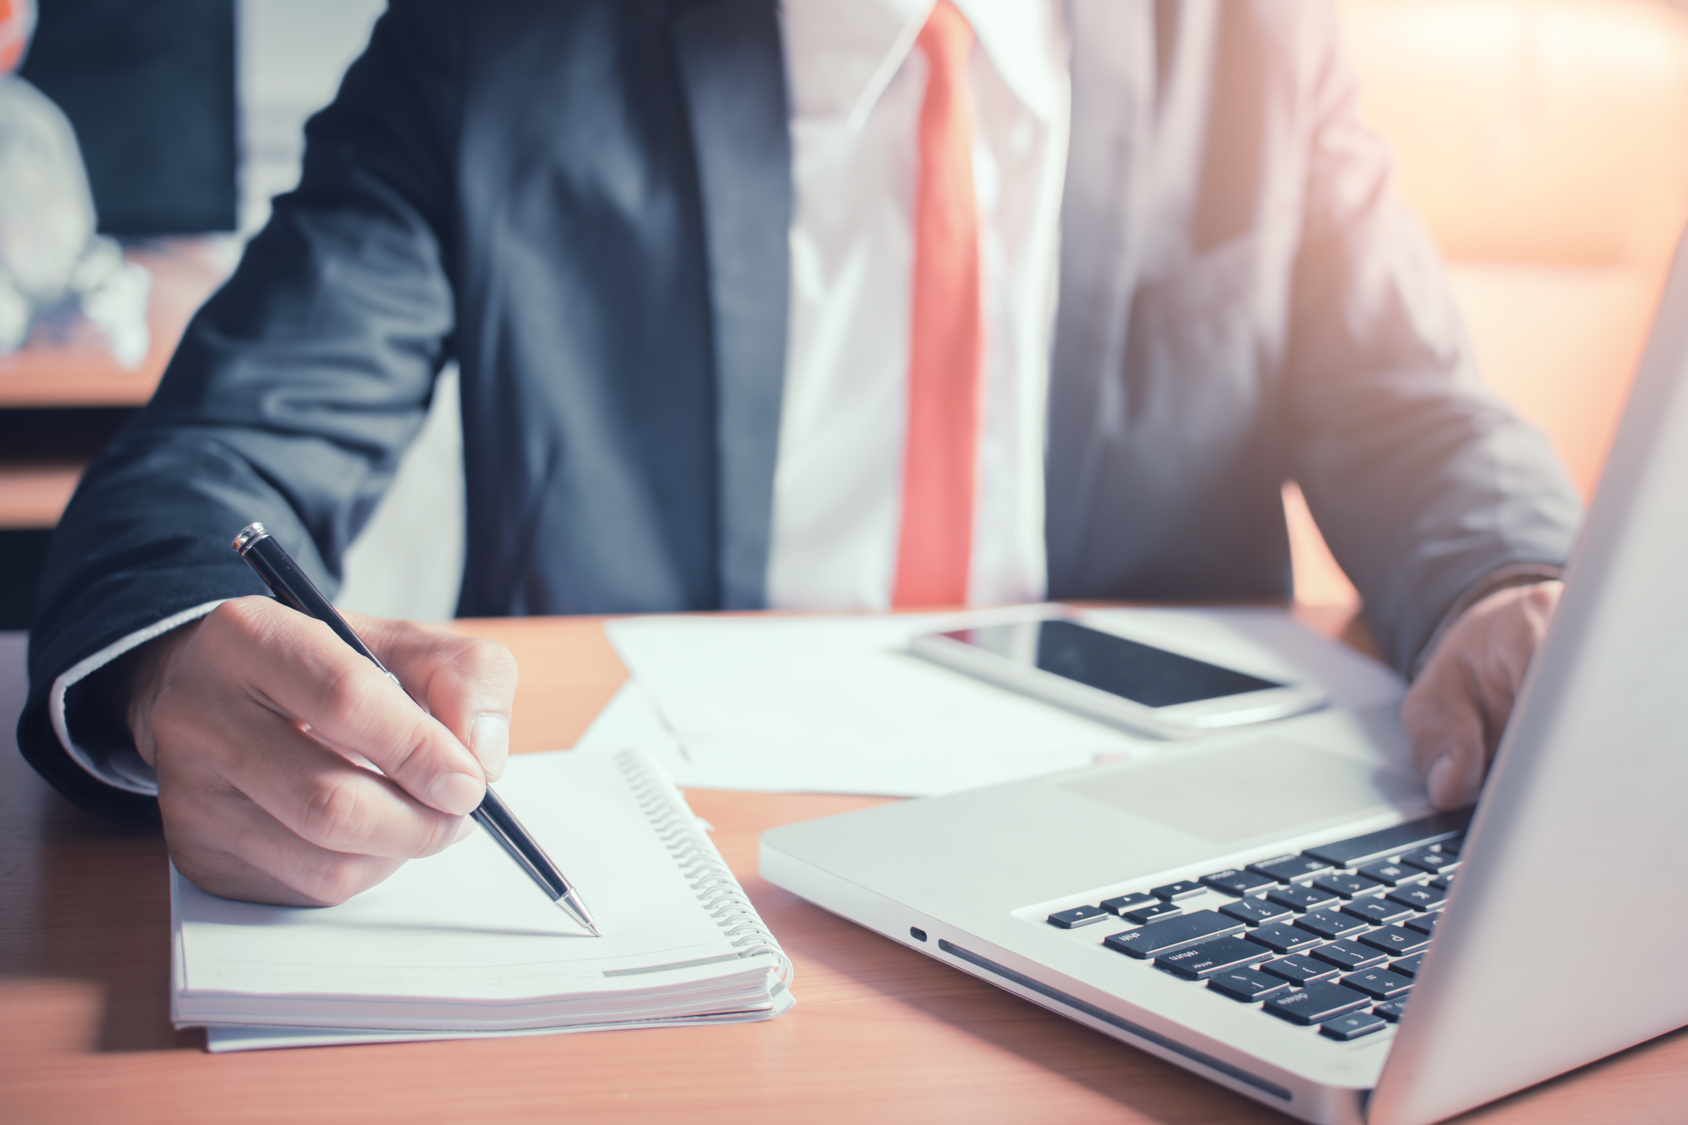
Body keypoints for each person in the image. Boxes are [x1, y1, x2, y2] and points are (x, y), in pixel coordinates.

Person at [18, 0, 1580, 908]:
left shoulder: (1245, 42)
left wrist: (1515, 580)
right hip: (694, 875)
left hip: (1149, 859)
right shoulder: (496, 42)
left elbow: (1413, 403)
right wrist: (170, 661)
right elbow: (226, 449)